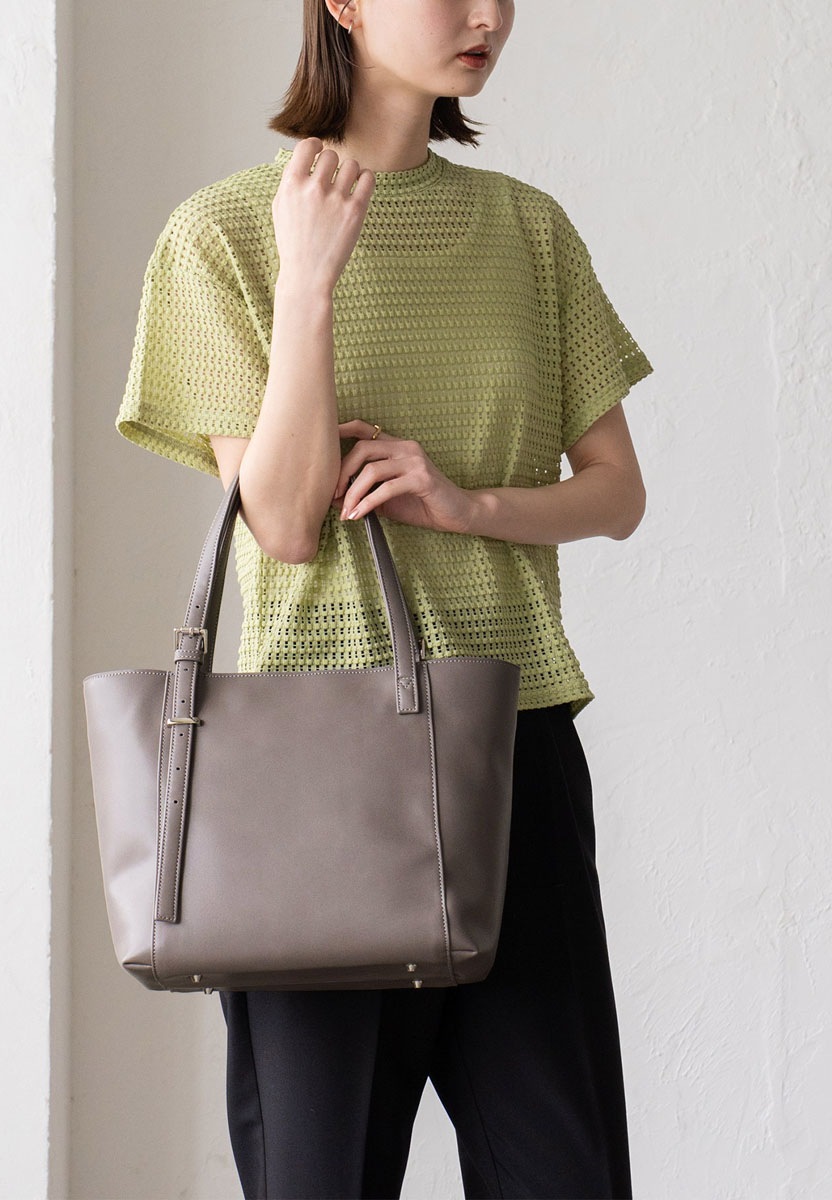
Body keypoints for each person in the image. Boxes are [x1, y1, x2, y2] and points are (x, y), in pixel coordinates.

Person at [115, 0, 653, 1195]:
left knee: (565, 1172)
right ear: (345, 5)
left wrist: (468, 504)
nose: (487, 14)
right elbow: (285, 522)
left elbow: (617, 493)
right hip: (319, 778)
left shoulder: (527, 231)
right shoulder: (223, 234)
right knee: (324, 1176)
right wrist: (308, 282)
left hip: (513, 749)